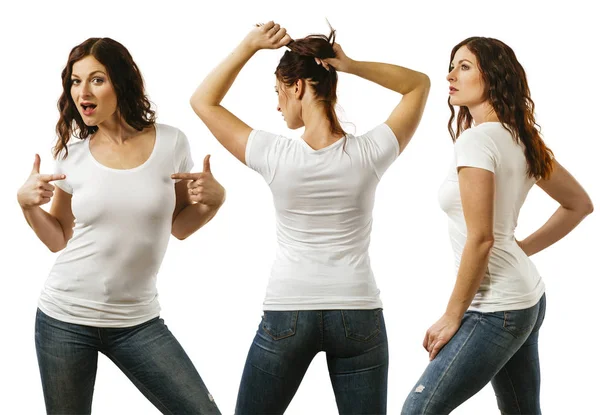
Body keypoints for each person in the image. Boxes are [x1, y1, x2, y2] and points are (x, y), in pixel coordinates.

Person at [189, 21, 430, 414]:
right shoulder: (370, 152)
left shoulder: (274, 154)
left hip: (289, 309)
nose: (278, 104)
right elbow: (418, 84)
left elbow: (203, 101)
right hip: (357, 310)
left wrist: (249, 46)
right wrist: (349, 65)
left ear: (297, 86)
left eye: (278, 92)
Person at [17, 37, 224, 415]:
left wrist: (214, 201)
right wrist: (27, 206)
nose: (83, 92)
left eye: (96, 79)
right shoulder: (71, 155)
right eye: (75, 82)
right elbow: (58, 238)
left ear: (122, 82)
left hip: (138, 322)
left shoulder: (171, 142)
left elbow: (179, 225)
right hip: (64, 317)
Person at [401, 37, 594, 414]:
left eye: (464, 66)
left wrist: (452, 315)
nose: (450, 75)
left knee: (418, 410)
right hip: (527, 299)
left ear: (493, 76)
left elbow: (482, 238)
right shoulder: (520, 137)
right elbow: (579, 204)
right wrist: (518, 249)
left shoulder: (476, 141)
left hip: (497, 308)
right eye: (452, 65)